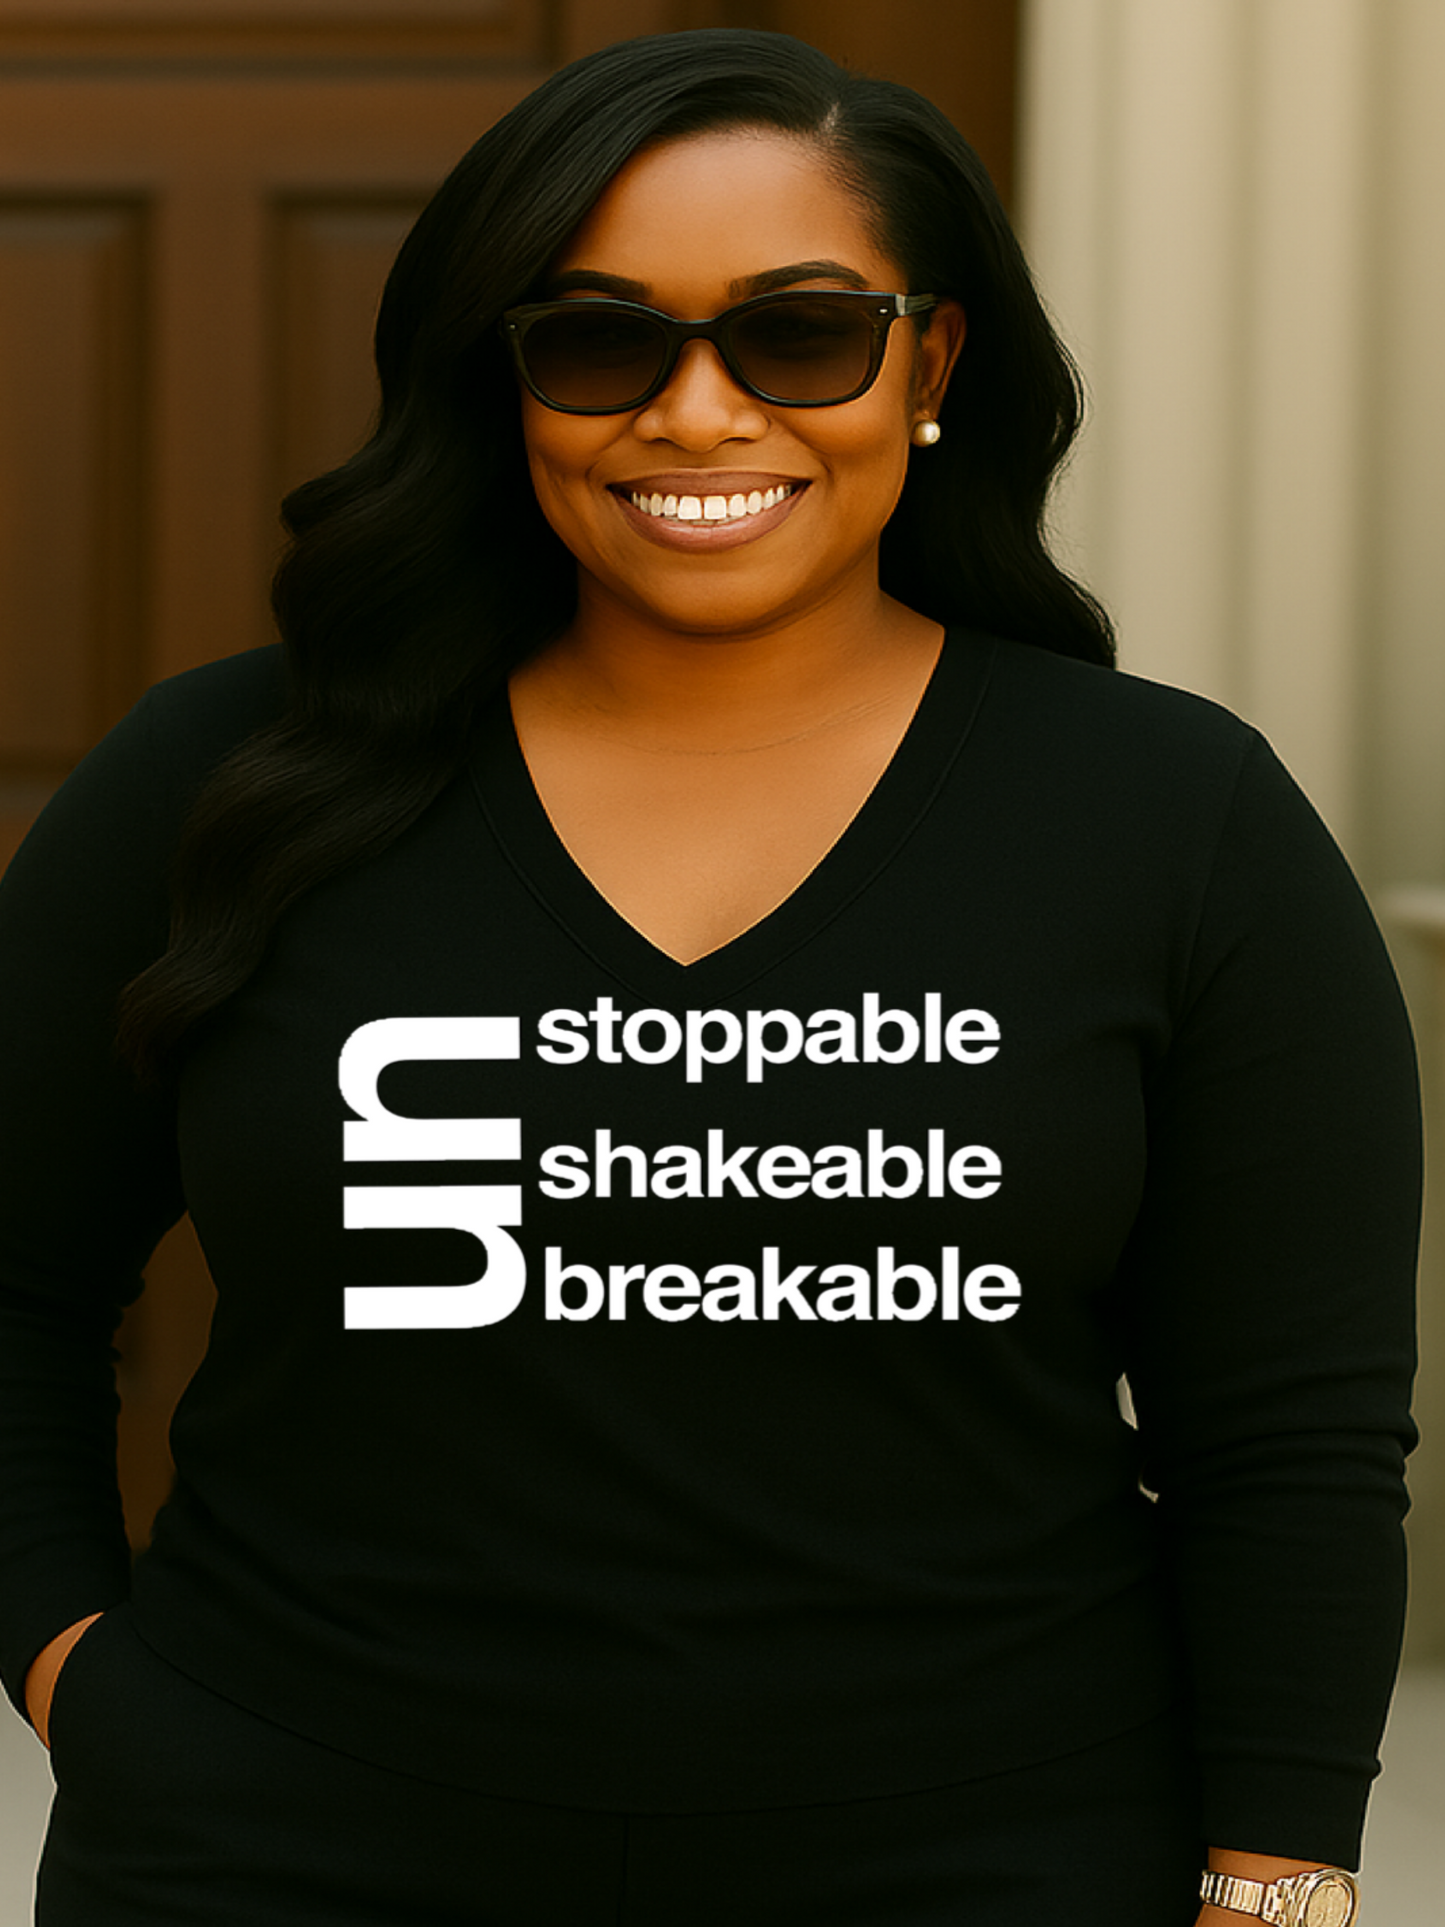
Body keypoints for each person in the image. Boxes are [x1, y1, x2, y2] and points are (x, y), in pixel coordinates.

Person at [0, 27, 1420, 1927]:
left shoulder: (1176, 821)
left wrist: (1275, 1879)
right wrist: (94, 1683)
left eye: (798, 334)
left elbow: (1293, 1438)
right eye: (601, 340)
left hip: (991, 1861)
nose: (695, 413)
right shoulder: (220, 786)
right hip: (284, 1856)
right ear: (507, 381)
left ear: (932, 361)